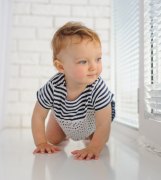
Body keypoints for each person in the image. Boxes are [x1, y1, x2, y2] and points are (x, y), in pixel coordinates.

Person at [31, 21, 115, 161]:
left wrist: (93, 148)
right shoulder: (52, 86)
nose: (93, 67)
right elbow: (38, 116)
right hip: (64, 115)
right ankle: (58, 115)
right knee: (53, 138)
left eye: (98, 59)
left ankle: (88, 135)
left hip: (93, 120)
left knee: (98, 138)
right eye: (83, 61)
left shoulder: (98, 88)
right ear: (61, 67)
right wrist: (41, 143)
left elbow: (103, 123)